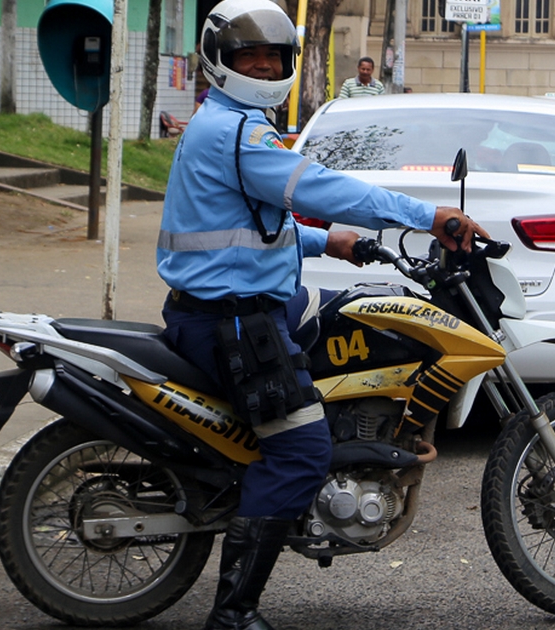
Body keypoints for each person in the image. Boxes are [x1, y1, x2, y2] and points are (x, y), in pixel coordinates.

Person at [158, 1, 484, 627]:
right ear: (219, 60)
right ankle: (232, 615)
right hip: (232, 320)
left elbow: (242, 229)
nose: (262, 65)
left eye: (273, 56)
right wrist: (428, 215)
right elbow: (322, 189)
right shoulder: (237, 132)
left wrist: (325, 241)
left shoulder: (230, 122)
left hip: (244, 306)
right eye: (248, 55)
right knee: (302, 451)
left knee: (343, 329)